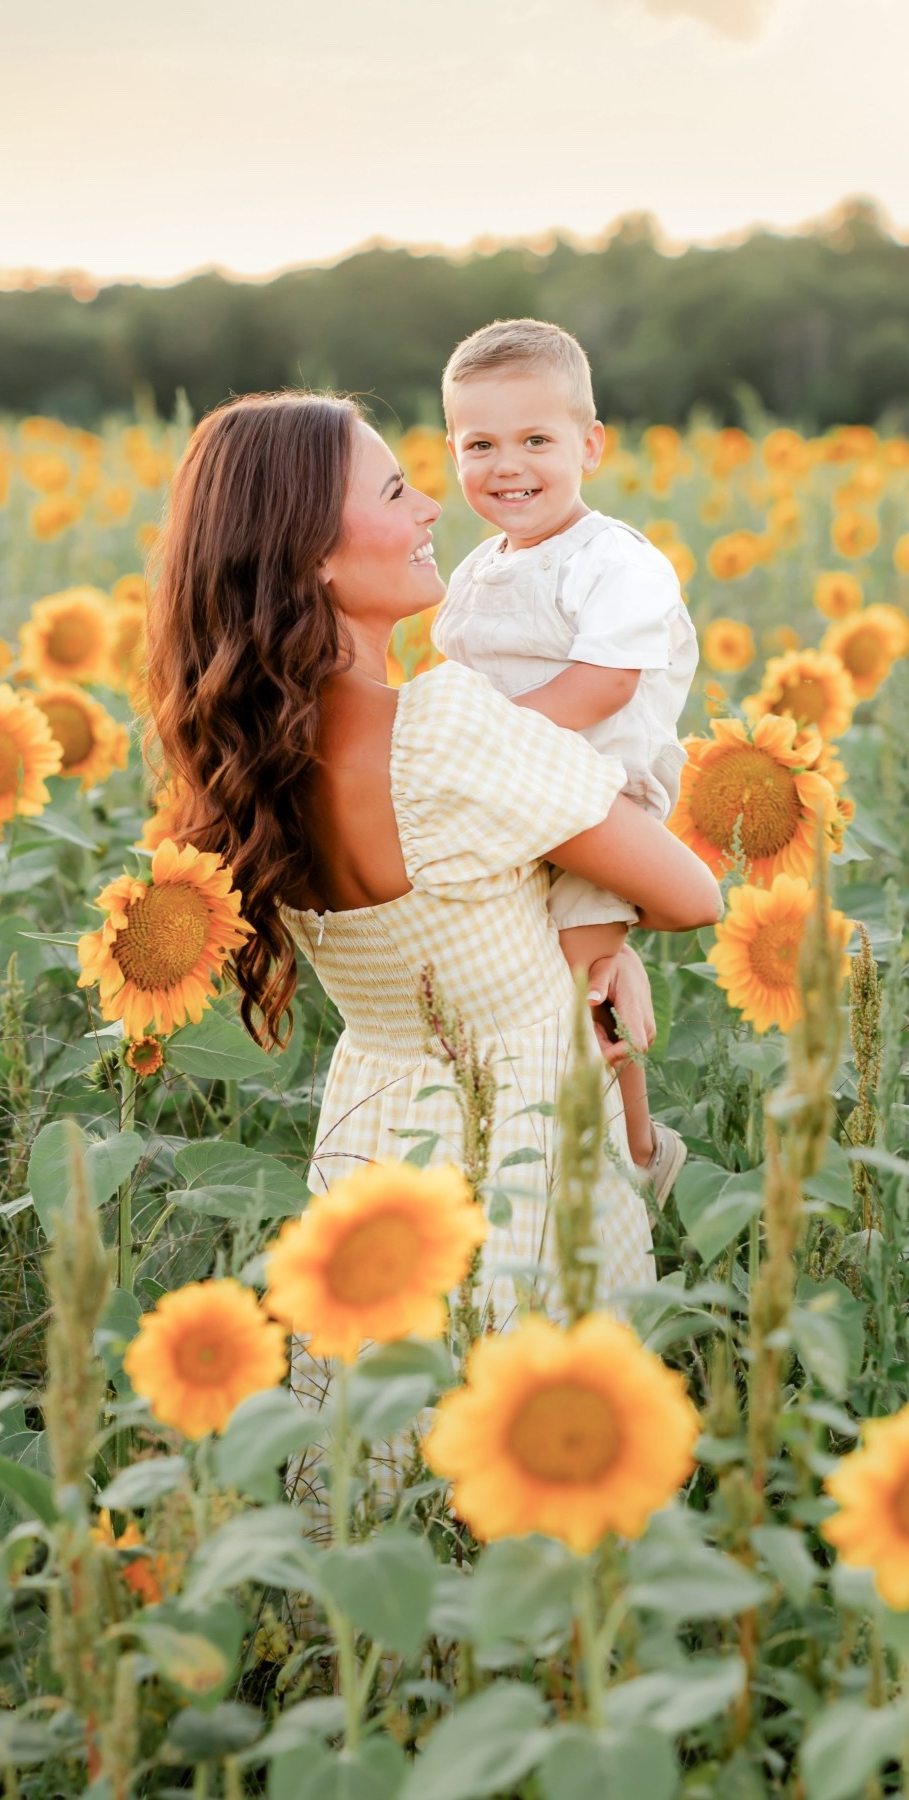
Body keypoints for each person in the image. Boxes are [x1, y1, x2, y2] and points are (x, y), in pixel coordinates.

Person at [145, 393, 722, 1326]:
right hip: (523, 1154)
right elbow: (692, 894)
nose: (429, 508)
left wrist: (587, 939)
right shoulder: (445, 728)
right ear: (313, 554)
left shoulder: (245, 764)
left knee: (386, 1404)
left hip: (373, 1151)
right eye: (394, 491)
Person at [434, 318, 698, 1201]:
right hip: (507, 800)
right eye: (481, 445)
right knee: (510, 990)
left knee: (587, 990)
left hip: (597, 800)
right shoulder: (478, 568)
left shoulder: (614, 561)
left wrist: (481, 741)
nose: (507, 465)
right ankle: (518, 1150)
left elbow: (603, 687)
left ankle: (637, 1157)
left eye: (535, 441)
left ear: (589, 446)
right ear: (452, 452)